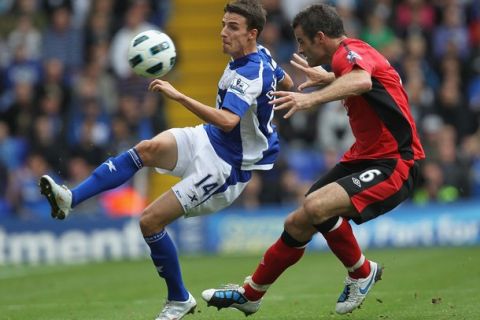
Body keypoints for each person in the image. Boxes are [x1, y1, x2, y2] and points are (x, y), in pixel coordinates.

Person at [38, 1, 293, 319]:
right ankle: (70, 198)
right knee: (146, 149)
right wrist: (283, 100)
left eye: (233, 27)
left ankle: (178, 299)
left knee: (149, 221)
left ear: (252, 33)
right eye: (223, 24)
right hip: (209, 139)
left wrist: (179, 96)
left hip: (225, 168)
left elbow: (228, 121)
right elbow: (286, 83)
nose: (223, 32)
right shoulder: (264, 55)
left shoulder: (250, 71)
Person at [202, 3, 425, 316]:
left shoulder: (351, 51)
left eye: (302, 42)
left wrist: (311, 98)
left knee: (317, 207)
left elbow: (362, 82)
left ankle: (361, 272)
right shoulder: (346, 60)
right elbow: (363, 80)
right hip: (364, 157)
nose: (300, 49)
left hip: (395, 161)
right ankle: (251, 294)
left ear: (321, 37)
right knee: (299, 219)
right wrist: (331, 78)